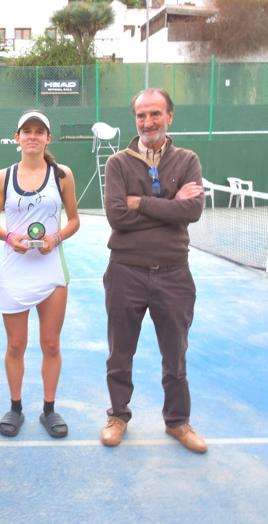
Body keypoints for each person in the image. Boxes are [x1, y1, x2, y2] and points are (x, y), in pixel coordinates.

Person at [100, 88, 207, 453]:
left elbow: (191, 212)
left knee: (175, 354)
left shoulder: (188, 160)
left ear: (169, 116)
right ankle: (117, 416)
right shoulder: (117, 163)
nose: (148, 122)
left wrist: (140, 203)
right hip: (125, 271)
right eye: (141, 115)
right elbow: (117, 215)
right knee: (120, 352)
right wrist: (167, 207)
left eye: (155, 114)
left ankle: (177, 422)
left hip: (174, 274)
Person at [0, 110, 80, 439]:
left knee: (51, 344)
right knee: (15, 345)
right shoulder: (3, 177)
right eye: (27, 131)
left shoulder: (62, 175)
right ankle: (15, 407)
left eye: (40, 131)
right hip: (15, 271)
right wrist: (11, 238)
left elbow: (74, 220)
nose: (33, 136)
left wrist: (57, 238)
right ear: (17, 137)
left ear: (48, 138)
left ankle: (49, 410)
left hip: (51, 271)